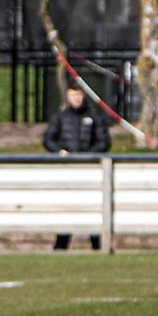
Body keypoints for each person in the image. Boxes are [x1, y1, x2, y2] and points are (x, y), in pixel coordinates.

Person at [43, 83, 111, 250]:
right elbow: (48, 139)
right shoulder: (61, 117)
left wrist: (90, 155)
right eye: (73, 95)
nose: (76, 99)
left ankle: (97, 244)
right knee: (67, 206)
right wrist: (60, 151)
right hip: (68, 171)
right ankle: (61, 243)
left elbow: (104, 141)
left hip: (90, 171)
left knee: (93, 206)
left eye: (79, 95)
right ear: (68, 96)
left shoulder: (94, 117)